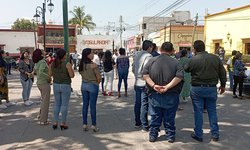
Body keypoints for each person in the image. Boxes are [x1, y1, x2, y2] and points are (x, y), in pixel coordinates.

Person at [184, 40, 226, 142]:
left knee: (198, 112)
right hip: (211, 88)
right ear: (204, 47)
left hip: (197, 88)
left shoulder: (193, 59)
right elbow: (222, 72)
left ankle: (198, 134)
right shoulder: (215, 58)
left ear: (194, 49)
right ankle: (215, 134)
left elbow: (186, 69)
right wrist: (223, 85)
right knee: (212, 111)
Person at [142, 42, 183, 143]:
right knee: (170, 117)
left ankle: (153, 135)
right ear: (172, 51)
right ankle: (170, 136)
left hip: (154, 94)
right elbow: (179, 77)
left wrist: (154, 86)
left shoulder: (151, 61)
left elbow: (145, 75)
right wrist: (167, 87)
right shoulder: (176, 63)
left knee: (155, 116)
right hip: (171, 94)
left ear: (160, 50)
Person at [49, 49, 75, 130]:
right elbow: (72, 75)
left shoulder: (52, 64)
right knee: (64, 104)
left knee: (57, 104)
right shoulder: (67, 64)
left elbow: (49, 74)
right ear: (63, 56)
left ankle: (55, 122)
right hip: (65, 85)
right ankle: (63, 123)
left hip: (56, 84)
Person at [79, 48, 101, 132]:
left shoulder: (82, 65)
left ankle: (84, 124)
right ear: (88, 55)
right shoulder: (93, 65)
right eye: (91, 53)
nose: (93, 54)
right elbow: (98, 77)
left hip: (84, 84)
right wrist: (97, 83)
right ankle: (94, 125)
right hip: (92, 84)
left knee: (85, 105)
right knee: (92, 106)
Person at [132, 40, 153, 131]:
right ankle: (145, 125)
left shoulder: (137, 55)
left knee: (138, 103)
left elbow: (133, 68)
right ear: (149, 47)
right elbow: (148, 70)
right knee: (144, 104)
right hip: (144, 83)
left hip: (137, 82)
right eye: (151, 47)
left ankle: (137, 122)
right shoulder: (148, 56)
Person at [33, 49, 51, 124]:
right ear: (41, 54)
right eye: (42, 51)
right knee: (45, 102)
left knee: (43, 101)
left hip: (39, 83)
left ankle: (40, 116)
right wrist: (48, 77)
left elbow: (34, 71)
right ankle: (43, 120)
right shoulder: (43, 62)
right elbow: (40, 72)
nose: (44, 51)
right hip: (44, 83)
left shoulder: (37, 62)